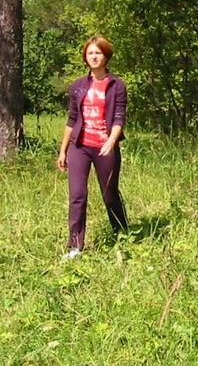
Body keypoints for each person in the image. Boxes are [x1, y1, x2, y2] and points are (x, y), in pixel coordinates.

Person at [57, 36, 129, 259]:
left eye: (98, 53)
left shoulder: (117, 86)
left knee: (109, 195)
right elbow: (72, 119)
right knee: (77, 195)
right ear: (85, 57)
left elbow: (119, 117)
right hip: (79, 147)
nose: (94, 57)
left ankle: (122, 236)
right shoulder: (78, 86)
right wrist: (63, 150)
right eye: (90, 53)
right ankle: (75, 246)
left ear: (106, 56)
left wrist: (111, 141)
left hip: (105, 148)